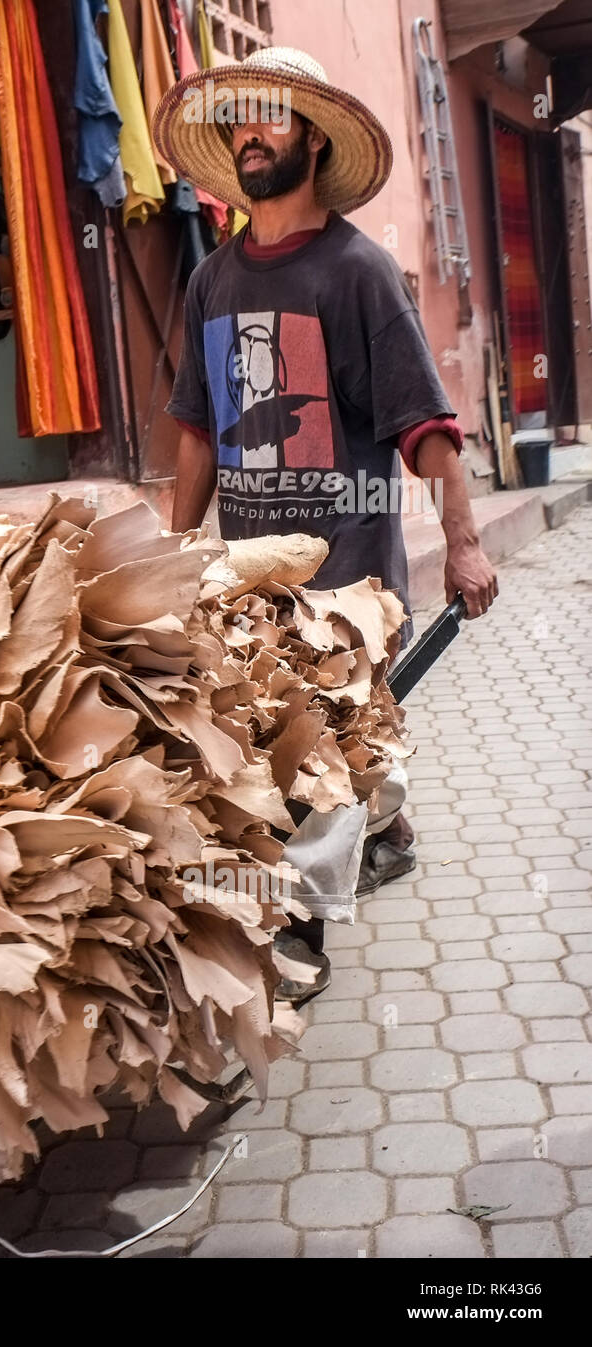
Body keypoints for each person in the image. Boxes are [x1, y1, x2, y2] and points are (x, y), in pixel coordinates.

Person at [153, 48, 498, 1000]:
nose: (250, 133)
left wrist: (462, 541)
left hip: (347, 578)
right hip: (250, 570)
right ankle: (386, 826)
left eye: (269, 118)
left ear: (310, 136)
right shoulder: (212, 280)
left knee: (316, 757)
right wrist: (181, 555)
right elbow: (195, 433)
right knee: (315, 749)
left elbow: (422, 427)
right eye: (240, 121)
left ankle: (300, 938)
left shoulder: (358, 273)